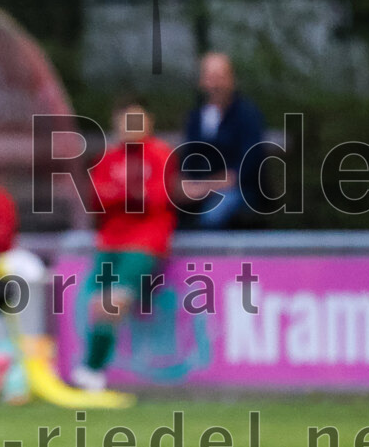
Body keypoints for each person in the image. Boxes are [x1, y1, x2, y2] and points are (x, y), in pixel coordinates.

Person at [72, 98, 177, 392]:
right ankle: (91, 370)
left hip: (144, 241)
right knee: (96, 303)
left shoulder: (159, 154)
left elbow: (154, 198)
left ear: (148, 123)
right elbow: (98, 198)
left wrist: (122, 195)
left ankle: (92, 369)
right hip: (111, 241)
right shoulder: (109, 158)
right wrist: (127, 195)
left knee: (114, 301)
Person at [182, 52, 265, 229]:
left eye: (220, 77)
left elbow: (246, 166)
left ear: (232, 80)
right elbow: (188, 159)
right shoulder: (196, 118)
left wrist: (205, 187)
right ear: (201, 82)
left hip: (241, 189)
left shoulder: (248, 115)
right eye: (210, 77)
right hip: (201, 188)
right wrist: (183, 186)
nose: (216, 84)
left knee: (212, 216)